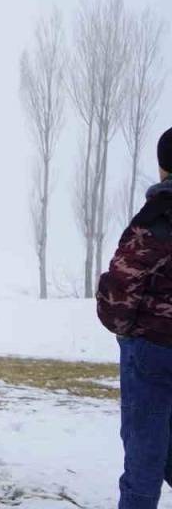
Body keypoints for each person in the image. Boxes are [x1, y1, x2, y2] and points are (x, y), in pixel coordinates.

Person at [97, 126, 172, 509]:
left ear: (163, 167)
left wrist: (123, 330)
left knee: (144, 453)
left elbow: (121, 291)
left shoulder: (158, 214)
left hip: (154, 348)